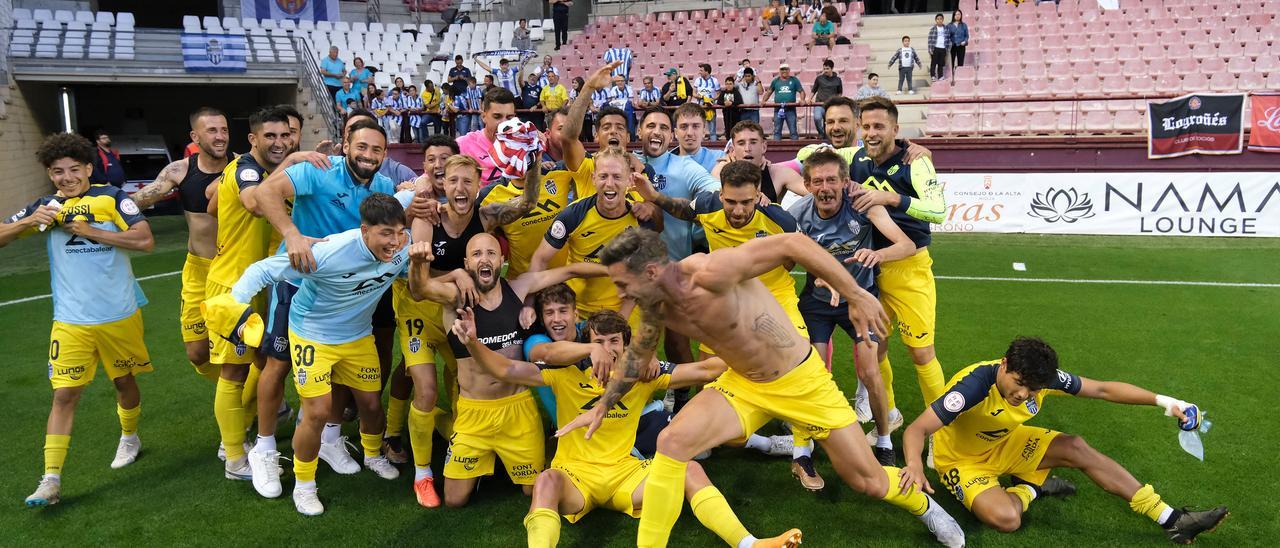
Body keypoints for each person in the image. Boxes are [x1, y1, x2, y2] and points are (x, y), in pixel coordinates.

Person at [558, 228, 966, 548]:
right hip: (743, 383)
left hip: (802, 382)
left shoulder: (710, 271)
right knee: (672, 442)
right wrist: (602, 406)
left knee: (869, 482)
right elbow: (635, 359)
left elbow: (792, 243)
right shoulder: (653, 309)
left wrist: (856, 293)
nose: (619, 294)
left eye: (622, 283)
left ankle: (925, 506)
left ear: (650, 273)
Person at [452, 308, 803, 548]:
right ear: (587, 343)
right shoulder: (565, 372)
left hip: (625, 474)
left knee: (690, 469)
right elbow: (504, 369)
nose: (607, 350)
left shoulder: (642, 374)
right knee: (545, 481)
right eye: (598, 342)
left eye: (614, 342)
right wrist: (471, 342)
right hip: (574, 477)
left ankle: (749, 544)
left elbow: (707, 370)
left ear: (626, 344)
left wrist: (756, 346)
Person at [245, 120, 432, 505]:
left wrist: (420, 192)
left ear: (385, 154)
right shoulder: (319, 170)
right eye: (361, 147)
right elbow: (263, 193)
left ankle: (330, 439)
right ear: (345, 145)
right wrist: (292, 234)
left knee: (346, 367)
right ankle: (264, 448)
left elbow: (402, 209)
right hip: (299, 280)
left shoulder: (383, 186)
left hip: (346, 290)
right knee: (278, 365)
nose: (368, 155)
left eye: (376, 150)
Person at [206, 191, 416, 516]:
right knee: (317, 412)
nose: (395, 241)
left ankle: (372, 454)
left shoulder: (405, 246)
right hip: (312, 334)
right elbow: (263, 270)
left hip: (358, 335)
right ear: (364, 231)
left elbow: (408, 196)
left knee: (372, 403)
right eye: (386, 233)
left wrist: (422, 184)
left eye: (400, 232)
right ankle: (304, 486)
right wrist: (234, 303)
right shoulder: (329, 252)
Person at [900, 337, 1228, 543]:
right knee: (1006, 519)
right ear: (1004, 364)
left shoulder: (1044, 380)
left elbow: (1102, 389)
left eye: (1033, 389)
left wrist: (1167, 402)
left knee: (1075, 447)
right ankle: (1031, 487)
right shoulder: (972, 388)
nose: (1023, 394)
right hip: (961, 461)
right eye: (1018, 383)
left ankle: (1172, 520)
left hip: (1005, 443)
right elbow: (917, 430)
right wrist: (914, 465)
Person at [407, 231, 608, 508]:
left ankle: (495, 458)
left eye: (491, 253)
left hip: (518, 408)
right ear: (467, 263)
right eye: (476, 254)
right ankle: (442, 422)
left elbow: (570, 270)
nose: (484, 259)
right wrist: (420, 263)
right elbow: (419, 289)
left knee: (531, 490)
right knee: (454, 500)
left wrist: (614, 272)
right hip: (474, 411)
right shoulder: (456, 296)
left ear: (502, 260)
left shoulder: (519, 288)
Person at [8, 133, 154, 508]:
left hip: (119, 314)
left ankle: (130, 437)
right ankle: (51, 480)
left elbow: (144, 240)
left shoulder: (112, 198)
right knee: (64, 395)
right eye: (58, 171)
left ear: (89, 168)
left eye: (74, 169)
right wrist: (29, 221)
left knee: (124, 382)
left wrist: (92, 231)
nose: (67, 177)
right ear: (50, 174)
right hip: (70, 320)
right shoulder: (45, 207)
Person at [205, 107, 322, 487]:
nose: (280, 143)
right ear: (252, 139)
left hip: (263, 283)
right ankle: (233, 456)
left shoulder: (266, 172)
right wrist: (291, 160)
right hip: (233, 287)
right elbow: (255, 203)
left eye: (286, 136)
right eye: (270, 136)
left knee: (263, 359)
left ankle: (248, 425)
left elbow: (212, 202)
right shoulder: (247, 169)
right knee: (234, 371)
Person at [787, 148, 917, 462]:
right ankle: (805, 444)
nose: (825, 187)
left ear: (845, 182)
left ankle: (884, 441)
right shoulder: (797, 214)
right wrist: (820, 276)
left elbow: (907, 245)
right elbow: (784, 259)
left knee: (870, 372)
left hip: (861, 300)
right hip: (818, 303)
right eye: (818, 181)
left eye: (832, 180)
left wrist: (878, 254)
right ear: (807, 185)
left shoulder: (862, 205)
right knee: (811, 373)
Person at [847, 96, 948, 428]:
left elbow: (938, 211)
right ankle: (888, 416)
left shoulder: (915, 161)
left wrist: (891, 198)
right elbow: (810, 157)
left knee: (921, 353)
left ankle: (941, 431)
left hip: (909, 268)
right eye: (866, 127)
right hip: (871, 269)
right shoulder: (857, 157)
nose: (871, 133)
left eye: (879, 126)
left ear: (895, 128)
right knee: (876, 348)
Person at [128, 107, 229, 387]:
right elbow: (137, 201)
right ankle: (243, 394)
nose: (220, 136)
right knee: (197, 353)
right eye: (212, 130)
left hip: (234, 269)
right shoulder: (179, 170)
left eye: (224, 130)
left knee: (241, 350)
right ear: (195, 137)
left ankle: (248, 402)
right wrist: (95, 205)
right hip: (198, 271)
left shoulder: (242, 166)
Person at [382, 134, 459, 472]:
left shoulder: (467, 198)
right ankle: (394, 435)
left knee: (462, 373)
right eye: (431, 159)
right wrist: (409, 204)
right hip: (414, 299)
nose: (438, 164)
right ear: (423, 165)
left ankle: (460, 436)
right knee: (416, 375)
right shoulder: (411, 196)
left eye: (445, 158)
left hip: (452, 301)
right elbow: (381, 224)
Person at [530, 146, 659, 323]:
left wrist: (620, 321)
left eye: (617, 176)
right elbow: (540, 258)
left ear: (629, 180)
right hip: (579, 309)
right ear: (593, 178)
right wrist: (529, 304)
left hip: (625, 310)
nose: (609, 183)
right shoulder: (573, 215)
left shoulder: (641, 218)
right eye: (603, 176)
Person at [711, 121, 808, 205]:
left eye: (753, 142)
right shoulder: (720, 171)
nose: (747, 149)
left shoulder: (779, 173)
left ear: (764, 147)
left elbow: (814, 192)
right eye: (741, 143)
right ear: (732, 150)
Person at [456, 87, 520, 185]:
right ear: (483, 117)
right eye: (497, 117)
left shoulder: (526, 144)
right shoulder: (463, 144)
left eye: (509, 118)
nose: (504, 124)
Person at [672, 103, 725, 172]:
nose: (690, 133)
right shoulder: (664, 163)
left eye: (696, 126)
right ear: (676, 133)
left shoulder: (720, 159)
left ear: (704, 131)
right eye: (684, 127)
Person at [763, 64, 805, 140]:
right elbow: (769, 91)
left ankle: (795, 146)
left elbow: (801, 91)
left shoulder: (794, 80)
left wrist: (802, 100)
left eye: (786, 69)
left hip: (790, 109)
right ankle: (776, 146)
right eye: (782, 69)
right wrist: (763, 101)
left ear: (789, 70)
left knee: (793, 130)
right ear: (779, 71)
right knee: (777, 130)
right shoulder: (775, 81)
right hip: (778, 109)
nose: (784, 71)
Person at [811, 60, 843, 140]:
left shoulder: (838, 80)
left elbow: (840, 93)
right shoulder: (819, 78)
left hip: (831, 106)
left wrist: (837, 102)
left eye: (827, 69)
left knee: (829, 123)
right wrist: (809, 99)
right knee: (817, 118)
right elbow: (814, 90)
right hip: (819, 104)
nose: (825, 70)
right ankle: (821, 133)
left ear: (832, 69)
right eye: (824, 69)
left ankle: (827, 137)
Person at [692, 64, 721, 139]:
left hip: (710, 106)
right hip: (700, 106)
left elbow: (719, 94)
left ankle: (713, 143)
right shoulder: (698, 80)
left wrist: (712, 100)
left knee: (712, 129)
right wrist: (699, 97)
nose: (699, 72)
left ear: (707, 72)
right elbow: (693, 93)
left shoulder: (715, 81)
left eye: (701, 71)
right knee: (699, 127)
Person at [715, 75, 743, 141]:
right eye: (727, 84)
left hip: (735, 115)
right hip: (726, 114)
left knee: (736, 130)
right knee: (727, 129)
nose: (728, 86)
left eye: (730, 84)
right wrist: (724, 103)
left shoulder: (736, 92)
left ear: (733, 84)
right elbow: (719, 102)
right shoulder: (723, 92)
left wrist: (731, 103)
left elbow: (739, 101)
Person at [927, 13, 951, 82]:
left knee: (941, 63)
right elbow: (929, 39)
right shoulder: (933, 29)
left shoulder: (946, 29)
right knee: (933, 63)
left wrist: (947, 48)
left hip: (943, 48)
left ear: (943, 20)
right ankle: (933, 76)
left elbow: (948, 39)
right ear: (936, 20)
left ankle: (940, 76)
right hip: (935, 48)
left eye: (941, 19)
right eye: (938, 19)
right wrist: (930, 49)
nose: (939, 20)